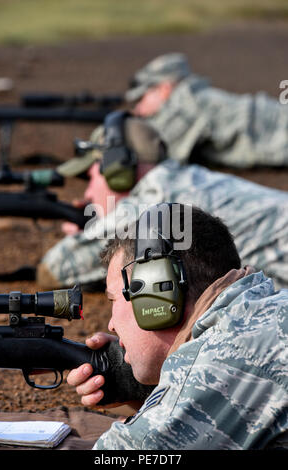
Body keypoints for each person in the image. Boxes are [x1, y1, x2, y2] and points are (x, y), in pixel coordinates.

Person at [67, 202, 288, 450]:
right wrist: (141, 386)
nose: (111, 325)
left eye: (113, 299)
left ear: (156, 294)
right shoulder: (263, 313)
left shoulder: (224, 354)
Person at [37, 115, 288, 291]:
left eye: (90, 178)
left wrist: (90, 232)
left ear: (118, 169)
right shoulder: (187, 178)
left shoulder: (156, 200)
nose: (89, 192)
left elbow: (55, 268)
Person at [126, 52, 288, 168]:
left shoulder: (189, 104)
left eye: (142, 98)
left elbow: (157, 154)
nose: (138, 107)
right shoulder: (197, 96)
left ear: (164, 89)